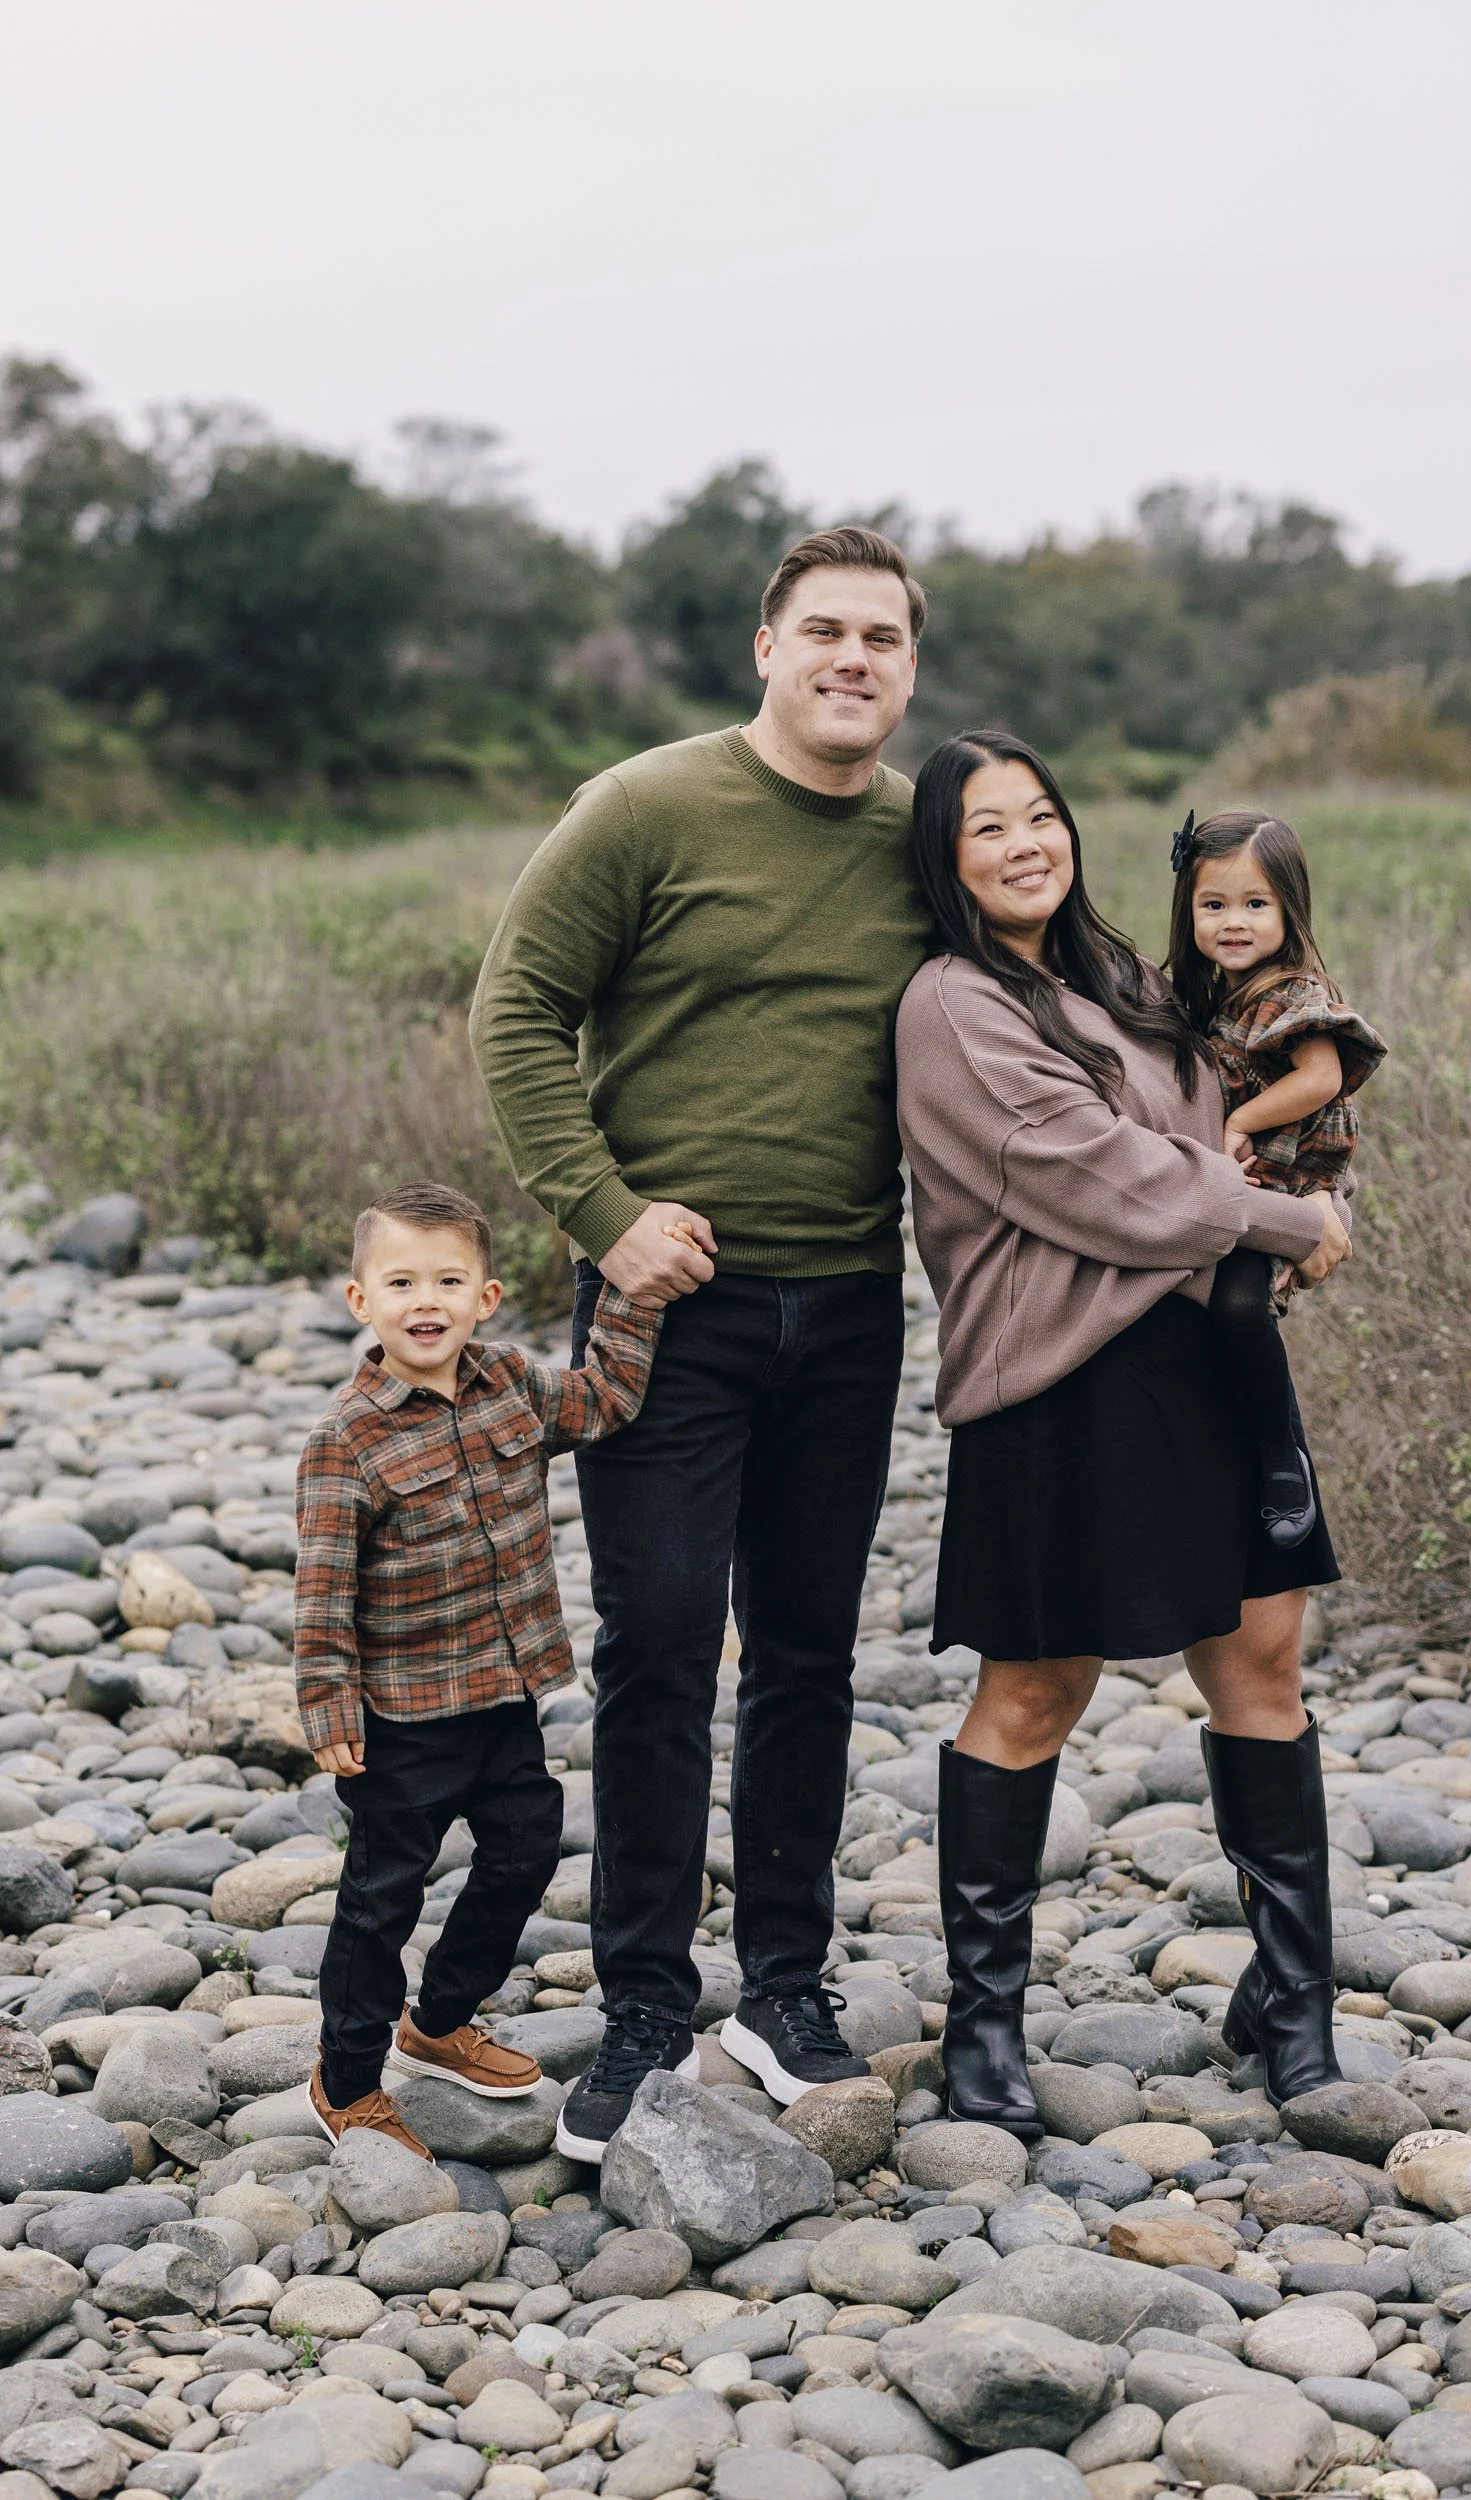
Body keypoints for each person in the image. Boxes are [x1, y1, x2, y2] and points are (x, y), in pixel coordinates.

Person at [470, 528, 935, 2160]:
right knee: (659, 1647)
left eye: (882, 637)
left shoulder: (917, 841)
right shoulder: (644, 808)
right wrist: (605, 1219)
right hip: (661, 1323)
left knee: (809, 1650)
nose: (853, 659)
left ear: (906, 666)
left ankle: (784, 1986)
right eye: (824, 630)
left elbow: (1050, 1023)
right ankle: (646, 2005)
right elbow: (512, 1011)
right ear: (763, 646)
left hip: (848, 1311)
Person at [894, 731, 1354, 2128]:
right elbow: (1095, 1177)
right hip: (1059, 1382)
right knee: (1037, 1689)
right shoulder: (951, 1006)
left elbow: (1219, 1124)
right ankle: (984, 2031)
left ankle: (1294, 2000)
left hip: (1212, 1357)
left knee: (1263, 1666)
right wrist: (1286, 1220)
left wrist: (1287, 1187)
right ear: (945, 858)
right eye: (989, 829)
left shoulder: (1132, 980)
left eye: (1042, 816)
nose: (1027, 843)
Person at [294, 1181, 661, 2147]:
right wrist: (328, 1705)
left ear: (486, 1298)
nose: (427, 1301)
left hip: (504, 1696)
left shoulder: (514, 1385)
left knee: (527, 1848)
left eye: (448, 1281)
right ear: (360, 1301)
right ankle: (346, 2079)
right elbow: (324, 1587)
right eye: (402, 1281)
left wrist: (637, 1289)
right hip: (401, 1719)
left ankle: (442, 2019)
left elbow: (608, 1399)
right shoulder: (347, 1440)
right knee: (381, 1900)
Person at [1166, 809, 1386, 1549]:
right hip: (1243, 1188)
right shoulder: (1205, 991)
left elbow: (1322, 1076)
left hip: (1289, 1183)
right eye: (1214, 904)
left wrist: (1238, 1124)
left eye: (1256, 904)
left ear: (1289, 908)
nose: (1235, 922)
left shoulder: (1292, 993)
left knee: (1236, 1308)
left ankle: (1278, 1460)